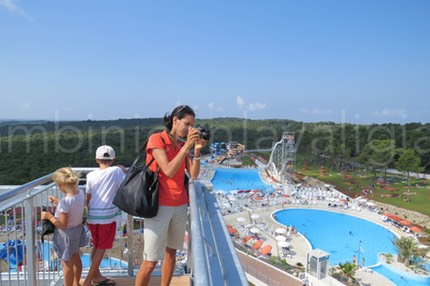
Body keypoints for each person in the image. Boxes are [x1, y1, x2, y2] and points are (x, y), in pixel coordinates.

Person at [135, 105, 207, 286]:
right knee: (150, 261)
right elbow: (167, 170)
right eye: (187, 124)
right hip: (158, 207)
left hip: (180, 205)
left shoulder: (183, 145)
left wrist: (196, 151)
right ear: (175, 120)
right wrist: (187, 148)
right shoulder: (156, 139)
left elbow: (194, 173)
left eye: (193, 126)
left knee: (171, 253)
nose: (190, 129)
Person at [82, 145, 127, 286]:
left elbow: (88, 197)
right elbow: (125, 184)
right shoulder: (117, 171)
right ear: (113, 159)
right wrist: (122, 168)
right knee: (102, 248)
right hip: (107, 216)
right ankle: (88, 281)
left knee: (96, 246)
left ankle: (96, 276)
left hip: (92, 216)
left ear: (97, 159)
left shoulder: (90, 175)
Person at [41, 167, 87, 286]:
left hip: (66, 235)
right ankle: (77, 283)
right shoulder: (80, 193)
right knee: (76, 257)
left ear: (61, 185)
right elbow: (72, 206)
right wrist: (58, 202)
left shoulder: (64, 202)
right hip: (77, 229)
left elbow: (62, 225)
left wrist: (49, 216)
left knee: (66, 264)